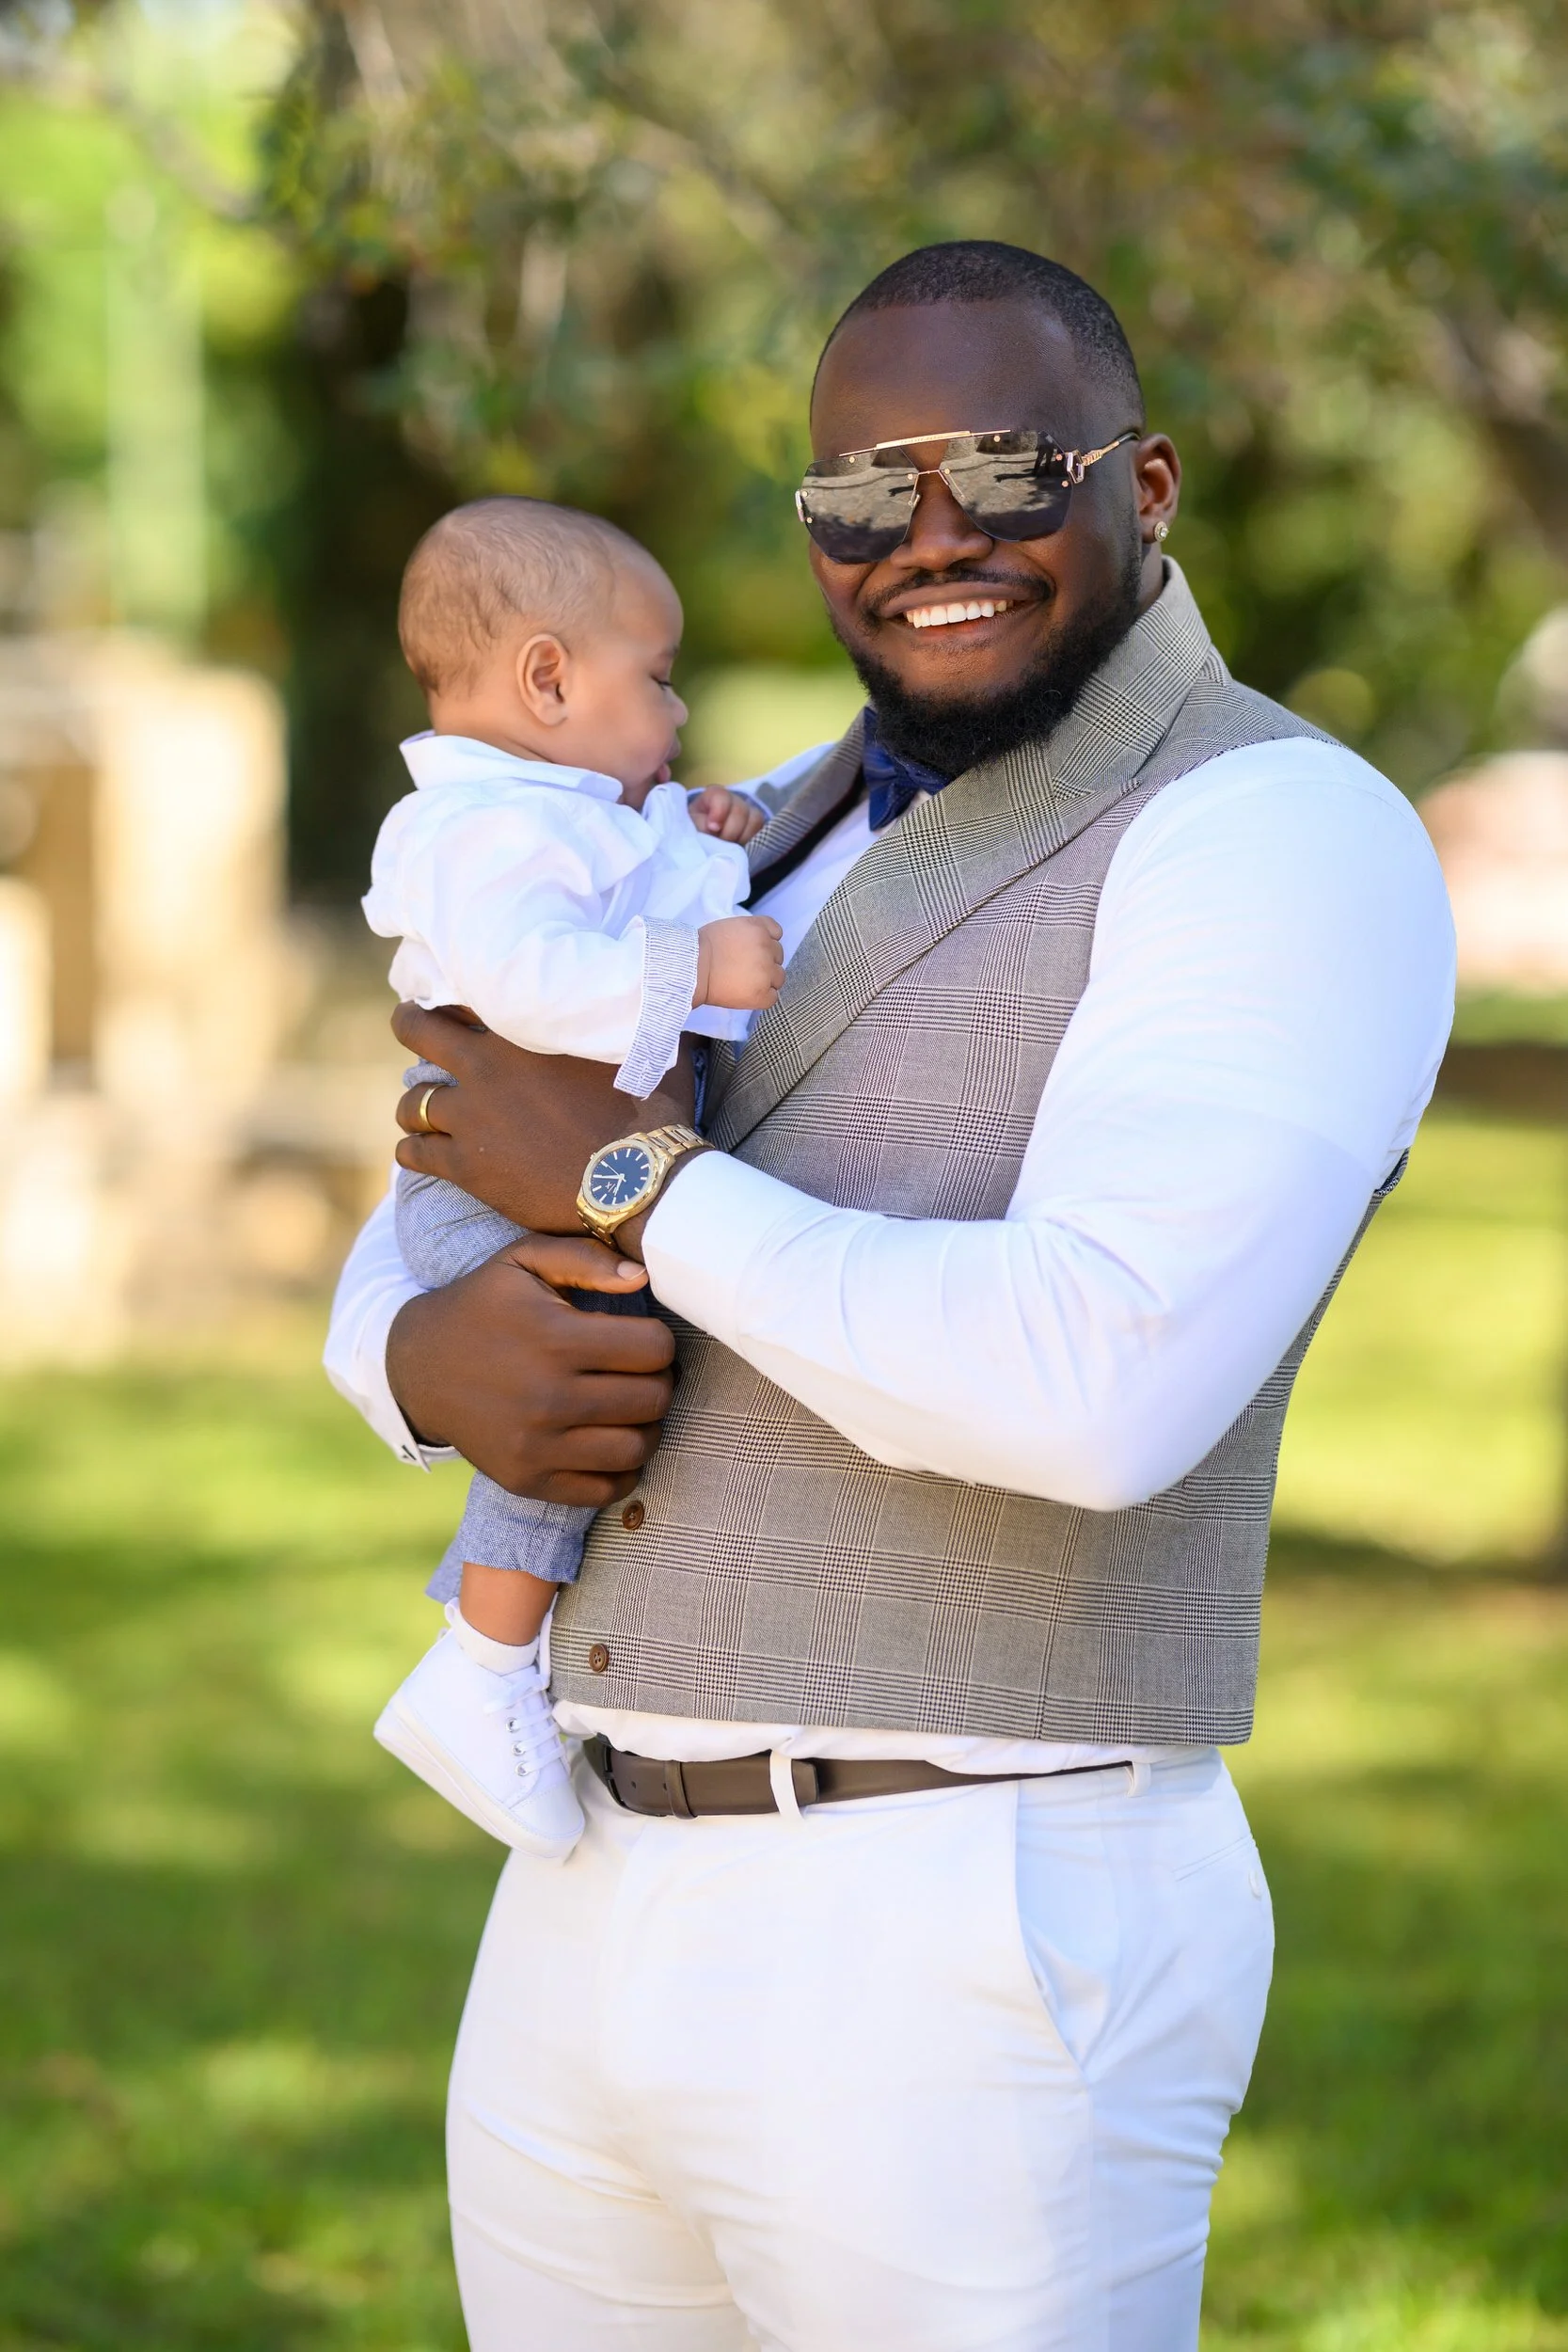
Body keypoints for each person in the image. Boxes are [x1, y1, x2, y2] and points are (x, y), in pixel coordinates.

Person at [325, 240, 1455, 2351]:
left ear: (1148, 480)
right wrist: (404, 1357)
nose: (929, 535)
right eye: (860, 491)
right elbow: (450, 1149)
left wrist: (630, 1187)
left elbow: (1096, 1382)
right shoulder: (730, 830)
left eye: (1003, 466)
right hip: (578, 1880)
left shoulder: (1277, 834)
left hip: (970, 1924)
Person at [363, 496, 782, 1857]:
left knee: (598, 1370)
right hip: (492, 1181)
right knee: (576, 1373)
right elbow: (534, 979)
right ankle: (480, 1669)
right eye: (654, 680)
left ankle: (495, 1667)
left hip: (545, 1162)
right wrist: (699, 969)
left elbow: (635, 880)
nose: (673, 713)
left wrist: (699, 830)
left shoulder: (567, 809)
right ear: (548, 678)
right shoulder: (485, 832)